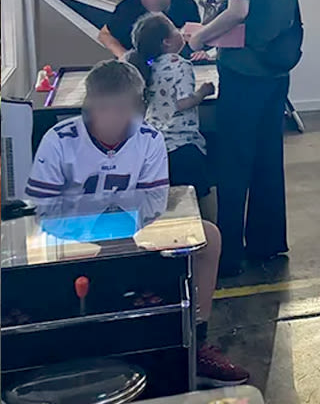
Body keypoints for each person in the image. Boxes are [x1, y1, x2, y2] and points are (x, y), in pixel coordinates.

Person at [24, 60, 249, 386]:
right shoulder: (59, 139)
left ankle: (194, 341)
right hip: (73, 241)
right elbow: (41, 209)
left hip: (133, 233)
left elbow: (154, 203)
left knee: (209, 237)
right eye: (106, 109)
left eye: (124, 109)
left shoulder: (149, 138)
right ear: (90, 105)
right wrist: (95, 227)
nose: (115, 118)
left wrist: (115, 225)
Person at [188, 0, 301, 276]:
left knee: (234, 163)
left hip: (243, 77)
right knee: (268, 159)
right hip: (276, 77)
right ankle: (267, 243)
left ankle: (229, 254)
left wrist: (200, 37)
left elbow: (238, 11)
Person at [125, 12, 217, 222]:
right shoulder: (180, 65)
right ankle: (213, 234)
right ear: (166, 42)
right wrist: (202, 93)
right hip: (182, 145)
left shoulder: (147, 67)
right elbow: (182, 102)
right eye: (176, 29)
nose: (181, 31)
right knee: (203, 194)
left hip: (156, 146)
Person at [99, 0, 203, 59]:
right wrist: (125, 56)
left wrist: (199, 51)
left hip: (174, 57)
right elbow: (104, 35)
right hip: (135, 55)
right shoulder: (128, 7)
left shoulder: (186, 4)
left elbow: (196, 35)